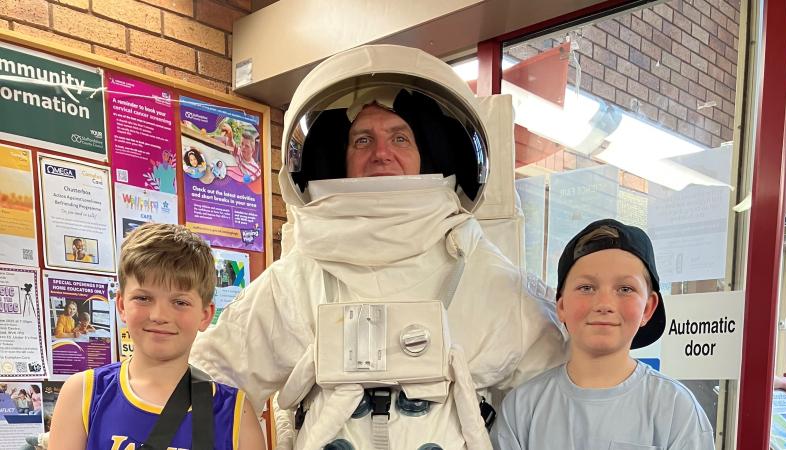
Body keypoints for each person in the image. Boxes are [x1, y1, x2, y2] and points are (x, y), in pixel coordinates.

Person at [190, 44, 567, 449]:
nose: (381, 153)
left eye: (399, 138)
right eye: (363, 140)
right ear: (338, 159)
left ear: (429, 155)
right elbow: (208, 375)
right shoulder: (302, 276)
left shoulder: (482, 274)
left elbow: (559, 394)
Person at [493, 219, 714, 450]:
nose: (604, 304)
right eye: (586, 288)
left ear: (648, 308)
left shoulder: (675, 410)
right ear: (561, 305)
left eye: (625, 289)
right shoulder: (522, 408)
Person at [47, 223, 265, 450]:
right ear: (122, 305)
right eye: (143, 298)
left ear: (205, 315)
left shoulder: (237, 414)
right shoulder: (83, 394)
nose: (159, 315)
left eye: (180, 302)